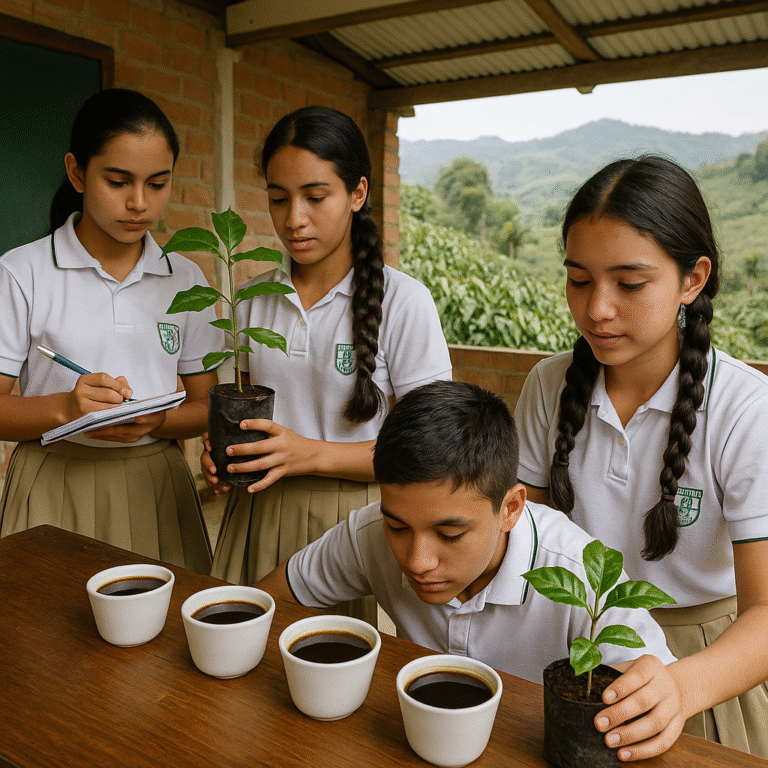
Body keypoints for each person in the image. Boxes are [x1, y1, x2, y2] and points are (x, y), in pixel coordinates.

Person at [514, 155, 768, 760]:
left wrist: (679, 685)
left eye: (629, 284)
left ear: (692, 278)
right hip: (578, 655)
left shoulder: (743, 410)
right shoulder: (548, 387)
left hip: (708, 672)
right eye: (579, 279)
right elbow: (531, 549)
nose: (597, 309)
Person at [256, 380, 676, 686]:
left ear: (510, 508)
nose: (417, 562)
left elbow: (653, 682)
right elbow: (268, 603)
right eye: (398, 527)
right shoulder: (369, 532)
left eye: (450, 534)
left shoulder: (577, 572)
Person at [205, 106, 452, 625]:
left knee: (324, 678)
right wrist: (225, 457)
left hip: (348, 522)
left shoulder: (404, 303)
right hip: (255, 510)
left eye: (315, 197)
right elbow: (247, 413)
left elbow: (429, 451)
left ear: (357, 194)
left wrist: (307, 454)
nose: (294, 218)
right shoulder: (252, 299)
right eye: (278, 198)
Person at [0, 88, 221, 573]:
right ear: (77, 172)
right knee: (44, 636)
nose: (139, 203)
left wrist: (158, 421)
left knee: (163, 636)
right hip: (53, 481)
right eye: (118, 181)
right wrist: (65, 407)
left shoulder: (185, 281)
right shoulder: (23, 272)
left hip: (156, 485)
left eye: (157, 184)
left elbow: (208, 407)